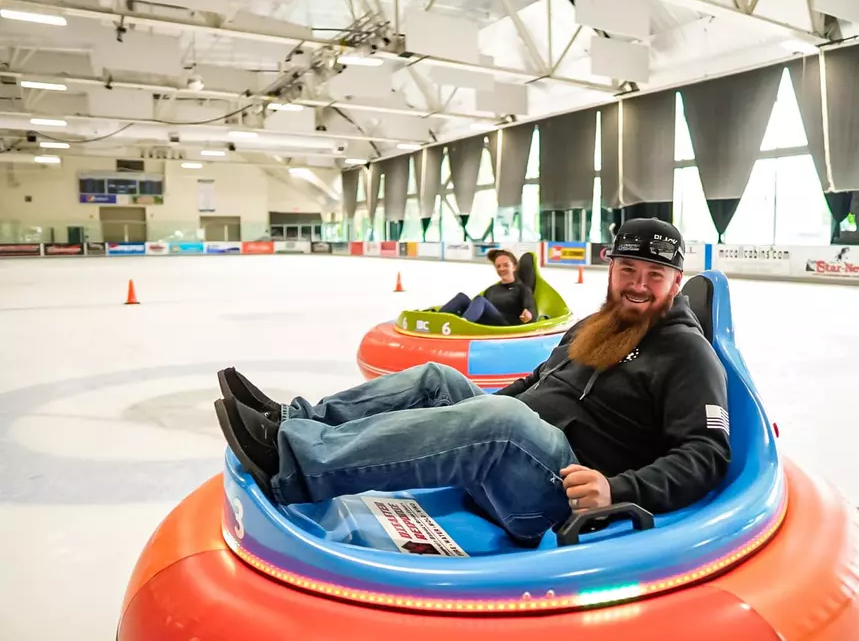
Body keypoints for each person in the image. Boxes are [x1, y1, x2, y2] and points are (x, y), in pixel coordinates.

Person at [214, 218, 731, 547]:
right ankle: (292, 421)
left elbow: (707, 452)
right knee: (442, 380)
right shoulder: (596, 325)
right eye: (629, 270)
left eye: (654, 276)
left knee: (501, 421)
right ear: (611, 269)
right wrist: (467, 411)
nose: (639, 285)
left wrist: (616, 488)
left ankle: (291, 462)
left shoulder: (686, 352)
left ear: (675, 282)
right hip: (519, 453)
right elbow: (539, 381)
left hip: (559, 494)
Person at [438, 248, 536, 326]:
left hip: (505, 325)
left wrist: (529, 314)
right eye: (498, 266)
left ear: (514, 267)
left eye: (506, 265)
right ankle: (436, 319)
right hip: (485, 322)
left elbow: (530, 308)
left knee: (480, 299)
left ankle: (464, 324)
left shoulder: (522, 289)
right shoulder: (492, 289)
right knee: (462, 297)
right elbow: (476, 307)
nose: (502, 269)